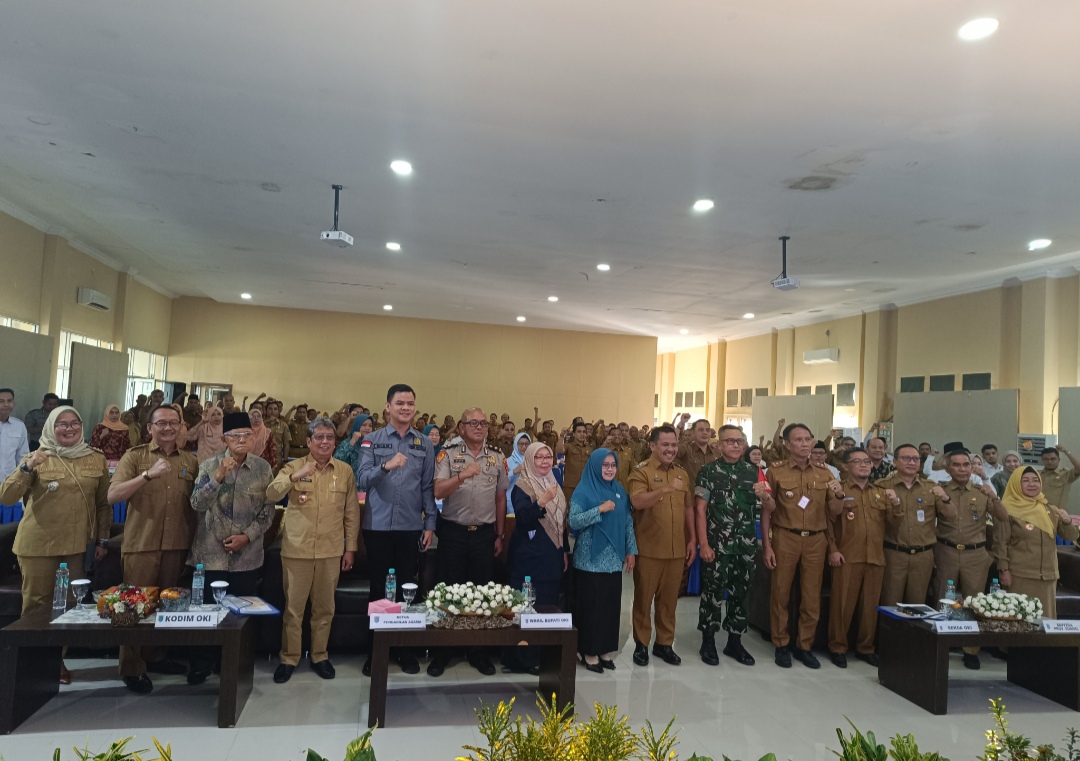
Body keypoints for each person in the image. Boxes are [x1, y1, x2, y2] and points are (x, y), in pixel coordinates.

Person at [0, 405, 110, 684]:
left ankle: (55, 660)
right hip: (37, 546)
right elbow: (7, 497)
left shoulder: (95, 458)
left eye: (74, 423)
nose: (69, 428)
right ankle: (33, 662)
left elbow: (103, 505)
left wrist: (102, 539)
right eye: (62, 424)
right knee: (37, 605)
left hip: (75, 547)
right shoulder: (38, 457)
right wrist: (27, 466)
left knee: (70, 606)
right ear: (51, 427)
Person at [108, 404, 199, 693]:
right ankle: (131, 667)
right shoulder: (135, 457)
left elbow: (196, 505)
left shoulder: (190, 461)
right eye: (161, 423)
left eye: (174, 422)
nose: (168, 427)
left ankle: (156, 657)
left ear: (182, 427)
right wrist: (147, 475)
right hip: (142, 544)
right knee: (131, 608)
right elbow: (113, 495)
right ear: (150, 428)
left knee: (166, 606)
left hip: (176, 545)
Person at [266, 417, 359, 684]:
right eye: (319, 437)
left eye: (330, 437)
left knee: (324, 609)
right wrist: (295, 476)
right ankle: (289, 658)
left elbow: (351, 513)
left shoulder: (344, 471)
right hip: (298, 550)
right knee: (293, 610)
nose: (325, 442)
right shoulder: (293, 466)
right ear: (308, 441)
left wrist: (350, 548)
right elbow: (272, 494)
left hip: (331, 551)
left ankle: (320, 656)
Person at [187, 411, 275, 684]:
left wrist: (246, 537)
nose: (242, 440)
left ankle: (234, 664)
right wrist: (218, 476)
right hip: (211, 554)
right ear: (225, 438)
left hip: (247, 556)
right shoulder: (209, 465)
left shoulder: (262, 468)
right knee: (206, 611)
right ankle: (202, 664)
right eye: (236, 436)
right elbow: (197, 504)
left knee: (241, 614)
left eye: (247, 435)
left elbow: (268, 511)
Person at [356, 384, 436, 676]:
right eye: (399, 403)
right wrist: (386, 466)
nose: (405, 408)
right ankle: (376, 651)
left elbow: (427, 488)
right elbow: (362, 479)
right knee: (379, 589)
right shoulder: (372, 440)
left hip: (410, 527)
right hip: (378, 527)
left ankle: (404, 651)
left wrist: (430, 524)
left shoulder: (424, 443)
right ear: (387, 407)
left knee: (407, 589)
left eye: (410, 403)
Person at [429, 408, 509, 676]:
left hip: (484, 535)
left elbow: (500, 498)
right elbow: (438, 490)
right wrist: (462, 475)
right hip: (453, 532)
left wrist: (499, 535)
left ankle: (477, 651)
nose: (479, 427)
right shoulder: (448, 454)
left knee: (480, 594)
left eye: (483, 423)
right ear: (461, 427)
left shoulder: (497, 457)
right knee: (448, 592)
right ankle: (443, 651)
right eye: (473, 423)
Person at [762, 423, 842, 669]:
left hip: (816, 539)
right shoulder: (776, 471)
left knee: (811, 596)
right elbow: (767, 511)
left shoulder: (825, 473)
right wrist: (767, 545)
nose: (805, 444)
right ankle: (781, 644)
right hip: (785, 536)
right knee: (781, 594)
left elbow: (834, 512)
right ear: (787, 444)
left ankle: (804, 646)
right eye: (798, 440)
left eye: (808, 439)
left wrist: (839, 495)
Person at [694, 425, 767, 667]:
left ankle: (734, 641)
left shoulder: (754, 471)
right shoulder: (708, 471)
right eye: (730, 441)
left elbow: (770, 505)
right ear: (719, 445)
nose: (736, 445)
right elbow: (700, 510)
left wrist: (765, 495)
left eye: (739, 441)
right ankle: (708, 640)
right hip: (717, 546)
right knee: (713, 593)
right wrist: (703, 544)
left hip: (745, 546)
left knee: (741, 593)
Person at [628, 425, 695, 667]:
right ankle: (641, 644)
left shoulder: (682, 473)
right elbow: (637, 501)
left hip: (676, 549)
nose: (670, 449)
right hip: (649, 548)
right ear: (653, 446)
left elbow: (688, 508)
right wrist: (664, 489)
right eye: (665, 445)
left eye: (674, 445)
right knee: (644, 599)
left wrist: (692, 539)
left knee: (669, 601)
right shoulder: (642, 472)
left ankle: (664, 644)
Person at [934, 448, 1004, 669]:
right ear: (948, 469)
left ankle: (971, 650)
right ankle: (941, 645)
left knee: (974, 602)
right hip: (946, 551)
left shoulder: (982, 492)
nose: (962, 469)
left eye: (966, 464)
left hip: (975, 554)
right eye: (956, 465)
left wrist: (994, 496)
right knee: (943, 600)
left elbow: (1003, 516)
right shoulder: (940, 491)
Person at [569, 448, 637, 673]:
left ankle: (605, 649)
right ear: (595, 466)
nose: (609, 469)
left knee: (610, 606)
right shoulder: (583, 490)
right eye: (605, 465)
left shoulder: (619, 490)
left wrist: (631, 550)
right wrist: (600, 509)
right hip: (589, 560)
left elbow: (627, 522)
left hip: (613, 559)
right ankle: (588, 652)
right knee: (591, 607)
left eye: (613, 465)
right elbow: (574, 521)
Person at [505, 442, 568, 673]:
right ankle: (523, 660)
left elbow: (561, 522)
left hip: (551, 557)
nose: (544, 461)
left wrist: (564, 551)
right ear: (530, 460)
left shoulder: (554, 483)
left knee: (546, 607)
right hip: (528, 559)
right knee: (525, 609)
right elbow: (522, 519)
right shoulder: (522, 486)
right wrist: (541, 501)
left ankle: (544, 657)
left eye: (548, 457)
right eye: (539, 457)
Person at [825, 448, 887, 669]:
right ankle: (838, 647)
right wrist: (833, 549)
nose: (864, 465)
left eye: (867, 461)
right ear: (845, 466)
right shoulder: (837, 490)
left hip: (875, 556)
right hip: (847, 556)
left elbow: (892, 523)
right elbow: (829, 522)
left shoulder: (880, 492)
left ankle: (865, 648)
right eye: (857, 461)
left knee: (871, 607)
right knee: (842, 605)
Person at [997, 467, 1080, 617]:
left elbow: (1070, 536)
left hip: (1048, 576)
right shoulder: (1007, 510)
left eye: (1036, 480)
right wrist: (1004, 570)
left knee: (1045, 619)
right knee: (1019, 620)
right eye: (1025, 481)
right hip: (1020, 575)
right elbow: (1001, 542)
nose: (1032, 484)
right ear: (1015, 484)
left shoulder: (1050, 510)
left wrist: (1067, 521)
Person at [876, 444, 947, 608]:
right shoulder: (882, 486)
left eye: (915, 459)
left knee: (917, 604)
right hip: (893, 554)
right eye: (906, 458)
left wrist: (946, 498)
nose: (912, 462)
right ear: (895, 462)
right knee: (890, 604)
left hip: (923, 556)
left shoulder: (931, 487)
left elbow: (949, 515)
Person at [557, 421, 593, 503]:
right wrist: (562, 436)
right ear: (574, 434)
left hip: (585, 485)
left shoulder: (589, 447)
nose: (582, 434)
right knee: (569, 507)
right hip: (571, 486)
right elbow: (559, 450)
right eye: (579, 431)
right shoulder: (569, 446)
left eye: (584, 432)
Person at [0, 388, 29, 483]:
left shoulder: (19, 426)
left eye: (9, 401)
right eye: (1, 401)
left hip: (10, 481)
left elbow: (22, 456)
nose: (6, 404)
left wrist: (22, 478)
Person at [1040, 446, 1080, 514]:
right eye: (1046, 459)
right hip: (1039, 513)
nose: (1049, 462)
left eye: (1053, 459)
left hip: (1057, 515)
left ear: (1059, 460)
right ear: (1042, 460)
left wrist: (1066, 452)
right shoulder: (1037, 475)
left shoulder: (1065, 474)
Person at [245, 405, 279, 470]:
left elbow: (272, 449)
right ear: (249, 418)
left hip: (264, 464)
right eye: (253, 416)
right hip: (247, 464)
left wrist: (274, 465)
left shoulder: (267, 432)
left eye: (259, 416)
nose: (256, 418)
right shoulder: (244, 433)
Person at [505, 432, 531, 503]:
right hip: (512, 499)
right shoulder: (507, 461)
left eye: (527, 444)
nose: (524, 447)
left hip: (530, 499)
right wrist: (514, 471)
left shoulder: (533, 461)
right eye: (521, 444)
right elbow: (502, 482)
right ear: (515, 445)